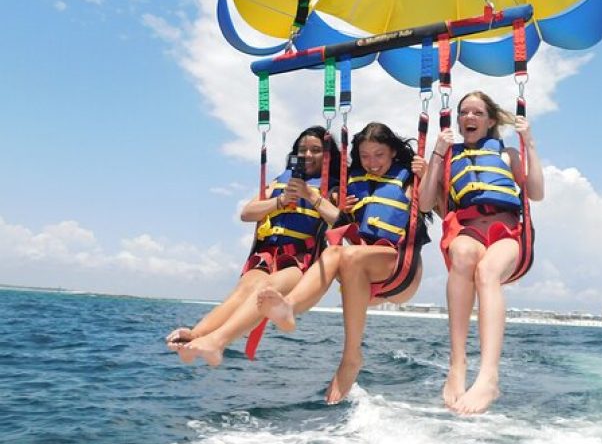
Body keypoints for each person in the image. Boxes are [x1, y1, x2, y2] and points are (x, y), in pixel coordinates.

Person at [258, 122, 429, 404]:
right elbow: (338, 222)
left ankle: (351, 357)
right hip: (361, 275)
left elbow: (431, 206)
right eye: (365, 156)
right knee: (335, 252)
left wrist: (429, 172)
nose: (372, 163)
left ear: (393, 154)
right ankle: (288, 308)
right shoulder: (352, 185)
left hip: (400, 270)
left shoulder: (410, 180)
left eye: (379, 155)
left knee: (342, 254)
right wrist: (344, 211)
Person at [165, 125, 342, 366]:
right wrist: (279, 201)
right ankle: (196, 335)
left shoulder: (331, 188)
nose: (308, 155)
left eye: (315, 150)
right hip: (267, 254)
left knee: (267, 288)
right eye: (302, 150)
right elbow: (247, 213)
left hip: (300, 260)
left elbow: (340, 220)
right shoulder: (280, 182)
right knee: (244, 289)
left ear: (328, 155)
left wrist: (310, 196)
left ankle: (217, 342)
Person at [418, 91, 544, 414]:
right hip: (470, 230)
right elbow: (424, 202)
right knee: (461, 254)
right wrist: (436, 153)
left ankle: (488, 376)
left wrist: (529, 143)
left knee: (487, 272)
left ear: (489, 120)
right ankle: (457, 365)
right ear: (458, 121)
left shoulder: (507, 154)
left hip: (507, 233)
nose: (469, 117)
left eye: (477, 112)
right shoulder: (448, 157)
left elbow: (537, 193)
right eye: (464, 113)